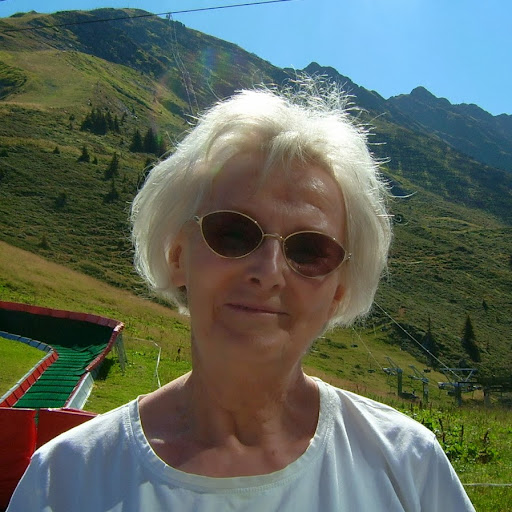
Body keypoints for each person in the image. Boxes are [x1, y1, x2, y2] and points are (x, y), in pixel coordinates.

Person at [7, 78, 475, 511]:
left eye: (310, 250)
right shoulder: (64, 479)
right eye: (232, 233)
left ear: (339, 291)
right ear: (177, 255)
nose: (268, 273)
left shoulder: (409, 465)